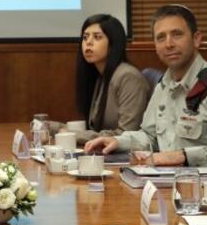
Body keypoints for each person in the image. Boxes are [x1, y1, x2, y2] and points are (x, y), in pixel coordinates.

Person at [85, 4, 207, 167]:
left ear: (196, 39)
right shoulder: (164, 85)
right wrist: (117, 141)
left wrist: (183, 156)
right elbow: (150, 136)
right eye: (161, 37)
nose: (168, 44)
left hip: (206, 189)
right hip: (166, 182)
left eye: (177, 34)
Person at [54, 14, 149, 144]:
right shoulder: (100, 76)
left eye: (97, 37)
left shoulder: (128, 77)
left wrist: (71, 134)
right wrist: (54, 128)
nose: (88, 42)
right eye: (85, 37)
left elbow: (126, 134)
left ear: (113, 43)